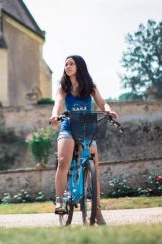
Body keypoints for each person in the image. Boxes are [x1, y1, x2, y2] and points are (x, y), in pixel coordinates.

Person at [49, 55, 118, 225]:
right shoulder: (63, 88)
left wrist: (109, 111)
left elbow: (102, 103)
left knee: (94, 167)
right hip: (68, 124)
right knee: (63, 161)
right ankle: (60, 202)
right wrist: (54, 115)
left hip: (87, 125)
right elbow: (58, 103)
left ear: (79, 66)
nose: (68, 66)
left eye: (71, 63)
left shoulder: (90, 87)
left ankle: (98, 212)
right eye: (66, 64)